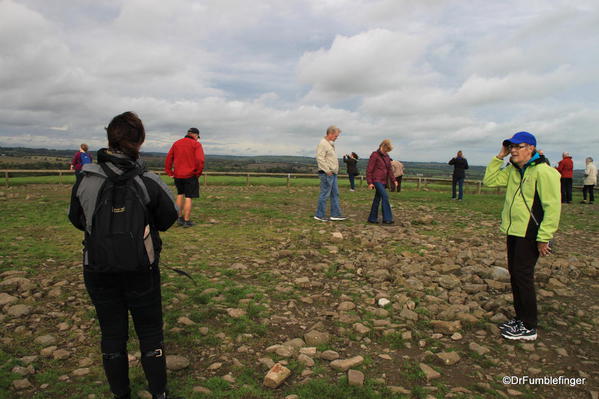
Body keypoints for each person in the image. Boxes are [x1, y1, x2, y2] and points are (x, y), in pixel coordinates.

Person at [68, 112, 183, 399]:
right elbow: (170, 218)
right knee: (150, 333)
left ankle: (121, 395)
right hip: (141, 268)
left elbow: (76, 219)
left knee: (112, 334)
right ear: (140, 142)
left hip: (97, 266)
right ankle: (159, 394)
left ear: (109, 139)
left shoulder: (86, 178)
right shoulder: (148, 180)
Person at [483, 131, 561, 341]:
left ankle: (529, 326)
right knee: (516, 275)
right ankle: (520, 319)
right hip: (513, 229)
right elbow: (489, 181)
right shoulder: (513, 170)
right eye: (512, 147)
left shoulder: (545, 172)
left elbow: (552, 207)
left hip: (531, 231)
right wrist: (499, 156)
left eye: (519, 146)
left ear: (531, 149)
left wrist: (544, 236)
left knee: (523, 276)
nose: (514, 150)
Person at [164, 127, 205, 227]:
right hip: (190, 175)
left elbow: (169, 158)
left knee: (180, 194)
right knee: (188, 197)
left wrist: (170, 172)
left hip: (178, 175)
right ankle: (186, 221)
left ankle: (179, 218)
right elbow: (200, 160)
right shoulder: (196, 144)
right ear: (195, 135)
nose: (197, 139)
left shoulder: (177, 143)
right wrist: (198, 173)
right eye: (197, 137)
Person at [314, 126, 346, 221]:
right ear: (330, 134)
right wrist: (327, 170)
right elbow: (320, 158)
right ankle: (319, 215)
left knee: (335, 194)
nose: (337, 137)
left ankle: (335, 214)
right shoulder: (323, 144)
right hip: (327, 173)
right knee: (325, 194)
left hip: (332, 173)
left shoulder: (329, 144)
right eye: (336, 136)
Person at [366, 139, 397, 224]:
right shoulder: (374, 155)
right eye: (387, 149)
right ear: (383, 146)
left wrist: (394, 180)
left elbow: (390, 170)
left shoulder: (387, 156)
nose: (387, 151)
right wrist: (370, 182)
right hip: (376, 180)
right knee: (385, 196)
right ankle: (387, 218)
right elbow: (369, 169)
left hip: (384, 181)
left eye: (388, 150)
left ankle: (372, 218)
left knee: (377, 199)